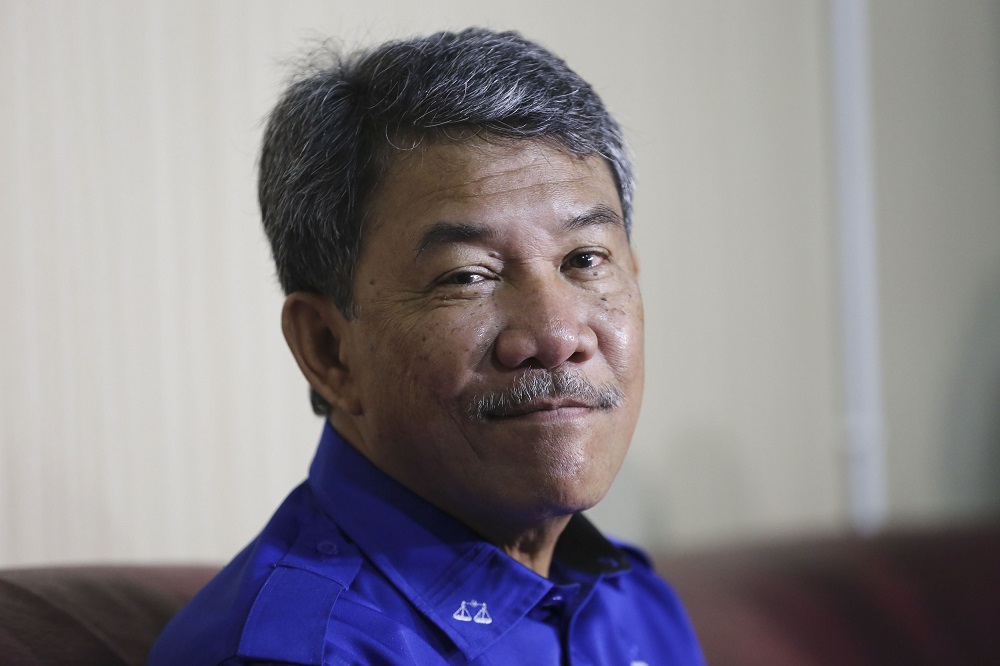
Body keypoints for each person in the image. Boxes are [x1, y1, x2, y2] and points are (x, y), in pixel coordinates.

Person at [149, 27, 704, 665]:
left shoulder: (637, 605)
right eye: (467, 276)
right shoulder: (304, 652)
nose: (558, 336)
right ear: (329, 349)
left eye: (584, 259)